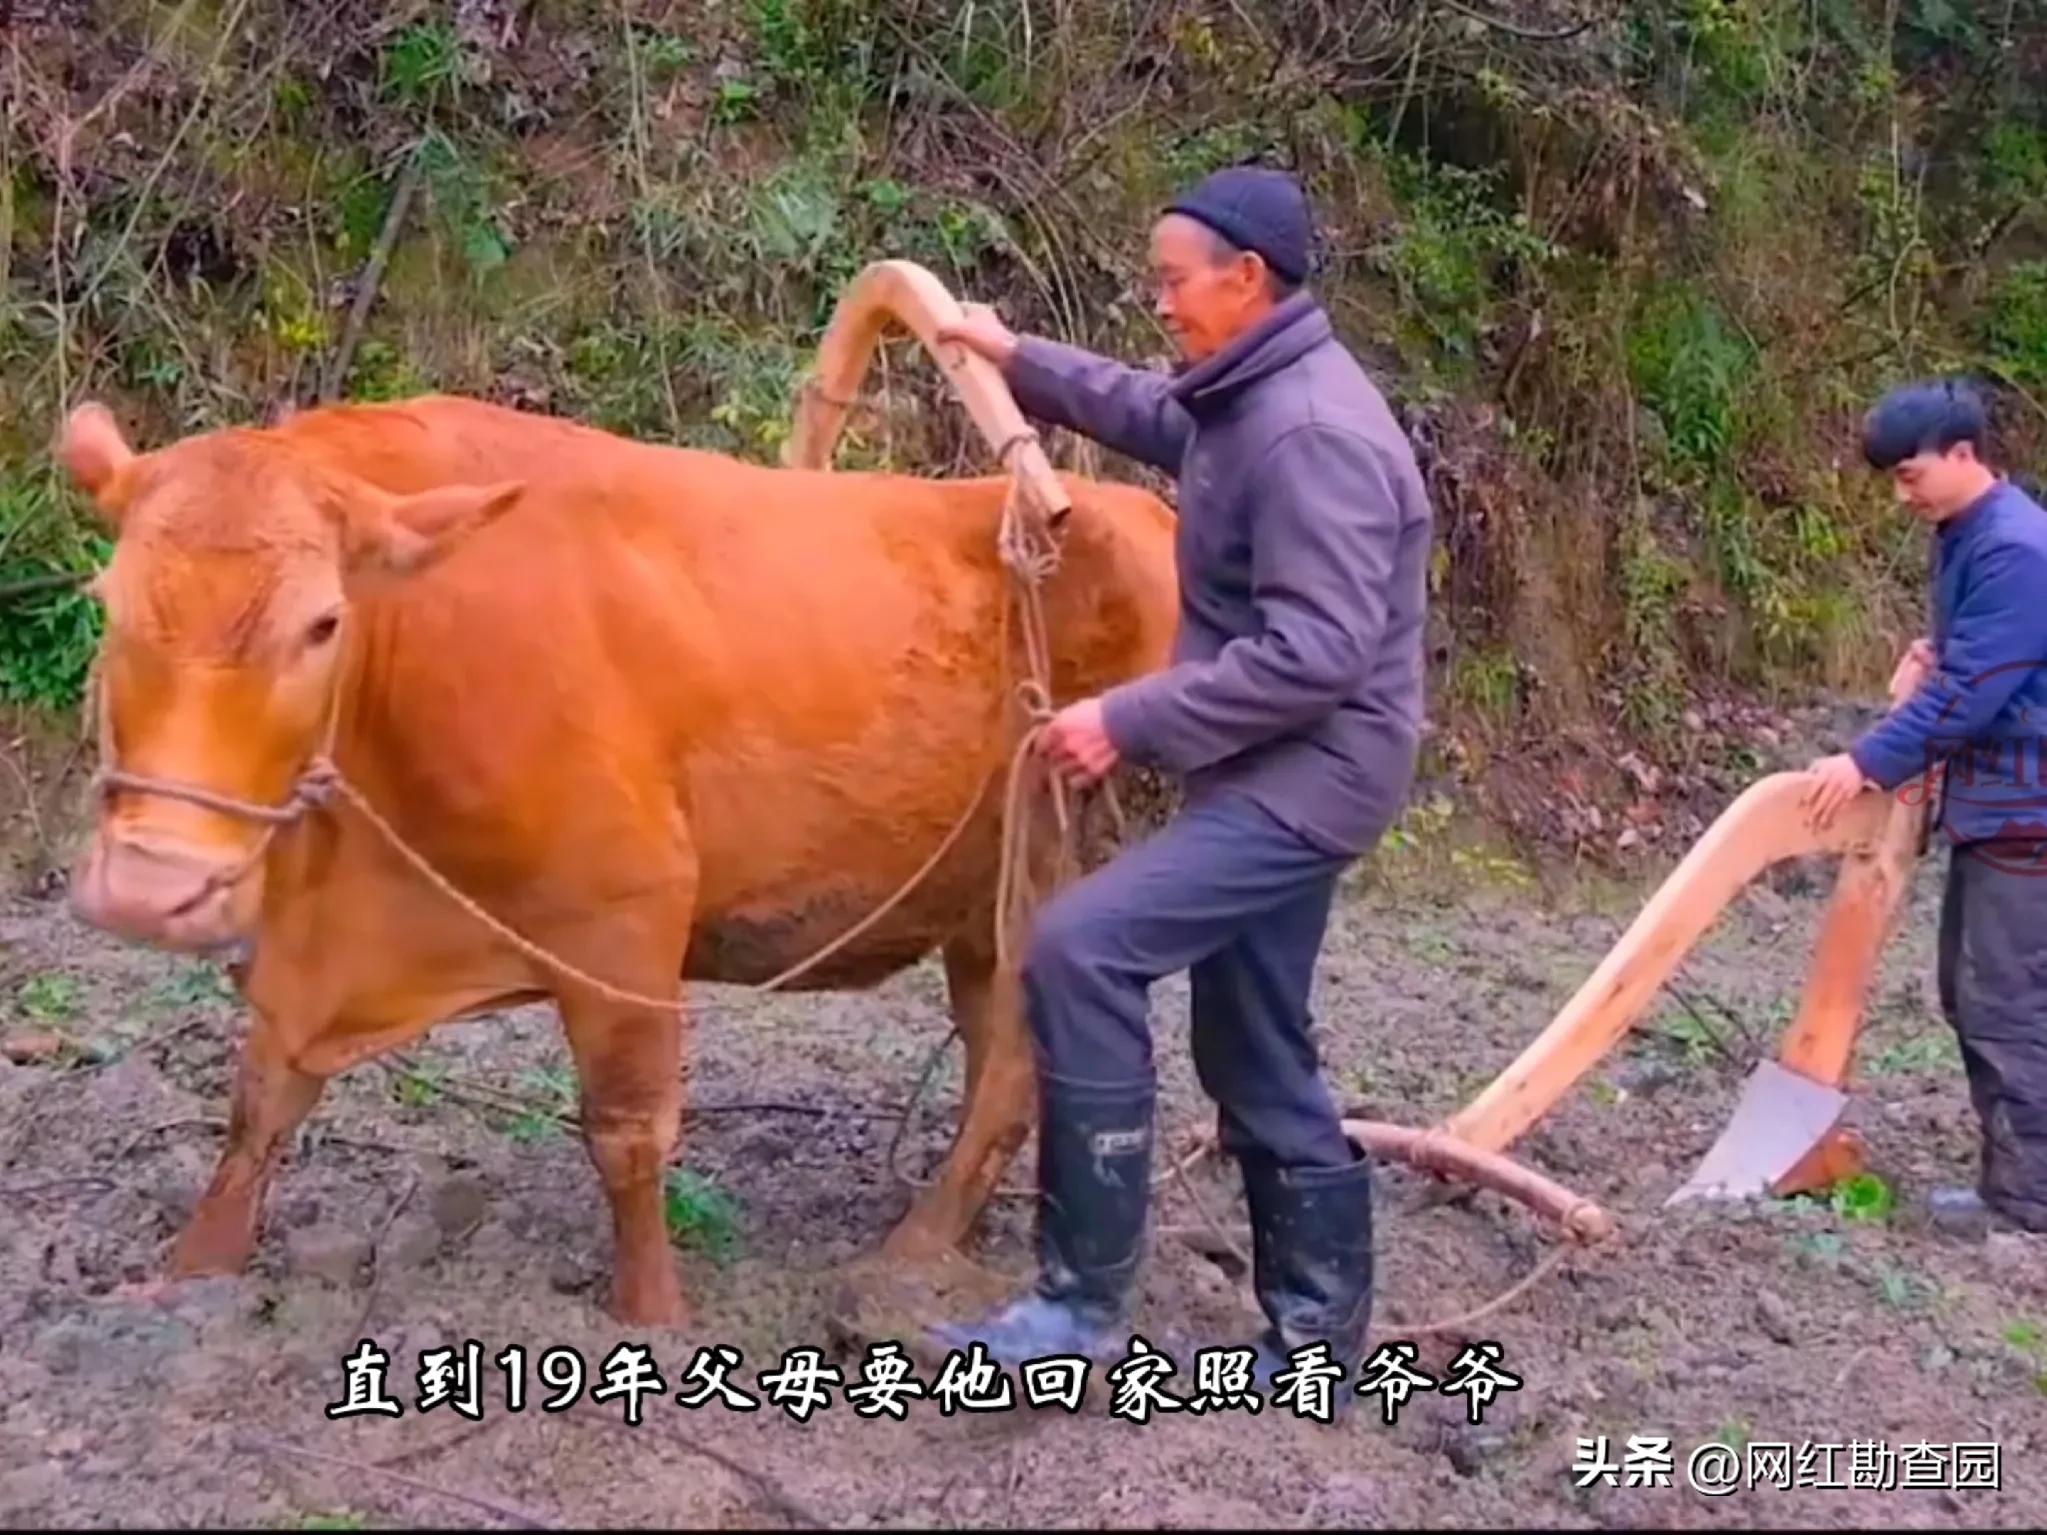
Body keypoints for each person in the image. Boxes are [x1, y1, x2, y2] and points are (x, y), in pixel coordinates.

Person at [926, 165, 1435, 1391]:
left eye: (1171, 280)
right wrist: (1017, 354)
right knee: (1252, 1042)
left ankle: (1076, 1303)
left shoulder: (1313, 435)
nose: (1158, 302)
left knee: (1082, 944)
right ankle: (1316, 1337)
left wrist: (1128, 717)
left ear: (1244, 277)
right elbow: (1161, 414)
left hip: (1306, 773)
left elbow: (1315, 653)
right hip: (1277, 759)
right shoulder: (1256, 392)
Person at [1804, 378, 2047, 1234]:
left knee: (2002, 998)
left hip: (2027, 809)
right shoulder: (1964, 533)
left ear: (1962, 454)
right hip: (1999, 805)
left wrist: (1865, 760)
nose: (1899, 494)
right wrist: (1931, 651)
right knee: (1974, 988)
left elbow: (1974, 696)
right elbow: (1983, 654)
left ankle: (2025, 1205)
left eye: (1909, 475)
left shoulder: (2013, 547)